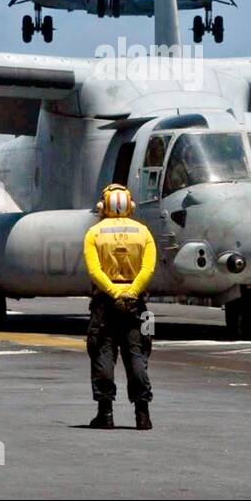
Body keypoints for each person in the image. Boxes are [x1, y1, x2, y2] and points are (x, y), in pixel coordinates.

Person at [83, 183, 157, 429]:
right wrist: (131, 293)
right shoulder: (144, 232)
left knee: (103, 352)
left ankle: (105, 414)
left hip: (105, 302)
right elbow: (148, 269)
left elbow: (94, 271)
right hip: (136, 303)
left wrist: (114, 293)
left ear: (103, 206)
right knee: (137, 353)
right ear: (130, 206)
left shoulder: (94, 233)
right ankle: (142, 415)